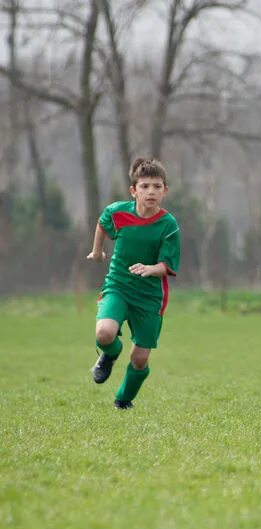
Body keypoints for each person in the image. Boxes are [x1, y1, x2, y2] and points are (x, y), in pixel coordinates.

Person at [87, 157, 180, 409]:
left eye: (157, 186)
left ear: (165, 191)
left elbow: (167, 265)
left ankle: (123, 400)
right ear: (133, 190)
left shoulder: (168, 225)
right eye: (145, 186)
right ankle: (109, 354)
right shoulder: (118, 213)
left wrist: (151, 269)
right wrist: (97, 252)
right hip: (118, 286)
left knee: (139, 359)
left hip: (150, 297)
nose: (151, 191)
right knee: (104, 333)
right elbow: (102, 224)